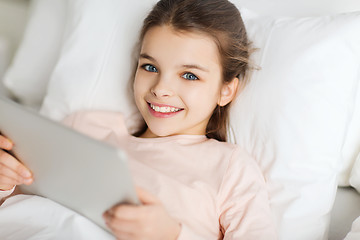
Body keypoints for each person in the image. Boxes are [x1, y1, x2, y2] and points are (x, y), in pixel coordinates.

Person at [0, 0, 277, 239]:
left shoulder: (231, 169)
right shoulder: (84, 128)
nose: (160, 88)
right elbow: (25, 209)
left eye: (189, 75)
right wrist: (4, 183)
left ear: (225, 90)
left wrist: (172, 235)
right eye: (150, 67)